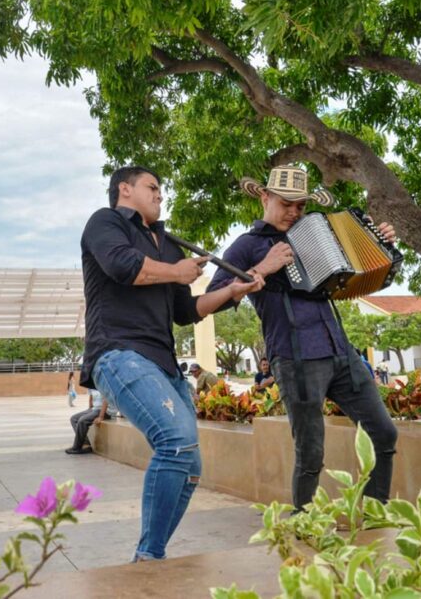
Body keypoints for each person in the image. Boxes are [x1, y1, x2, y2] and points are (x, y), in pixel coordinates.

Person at [80, 165, 265, 562]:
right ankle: (148, 559)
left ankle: (151, 554)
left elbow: (186, 311)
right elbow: (121, 266)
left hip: (163, 362)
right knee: (176, 442)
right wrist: (177, 271)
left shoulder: (169, 246)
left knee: (190, 462)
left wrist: (234, 290)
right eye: (152, 187)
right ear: (124, 189)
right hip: (117, 352)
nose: (160, 194)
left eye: (161, 189)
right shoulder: (106, 222)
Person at [208, 165, 399, 509]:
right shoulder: (246, 246)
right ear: (265, 197)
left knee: (384, 433)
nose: (294, 212)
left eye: (300, 206)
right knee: (310, 451)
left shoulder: (317, 232)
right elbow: (213, 298)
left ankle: (375, 511)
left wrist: (379, 242)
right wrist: (262, 268)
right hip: (295, 359)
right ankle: (303, 520)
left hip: (341, 352)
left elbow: (351, 275)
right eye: (286, 204)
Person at [65, 388, 114, 454]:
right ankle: (86, 444)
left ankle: (77, 447)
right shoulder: (90, 383)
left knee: (82, 421)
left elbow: (106, 399)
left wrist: (101, 417)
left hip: (106, 411)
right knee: (73, 419)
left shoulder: (102, 381)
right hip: (95, 409)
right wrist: (89, 410)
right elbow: (91, 398)